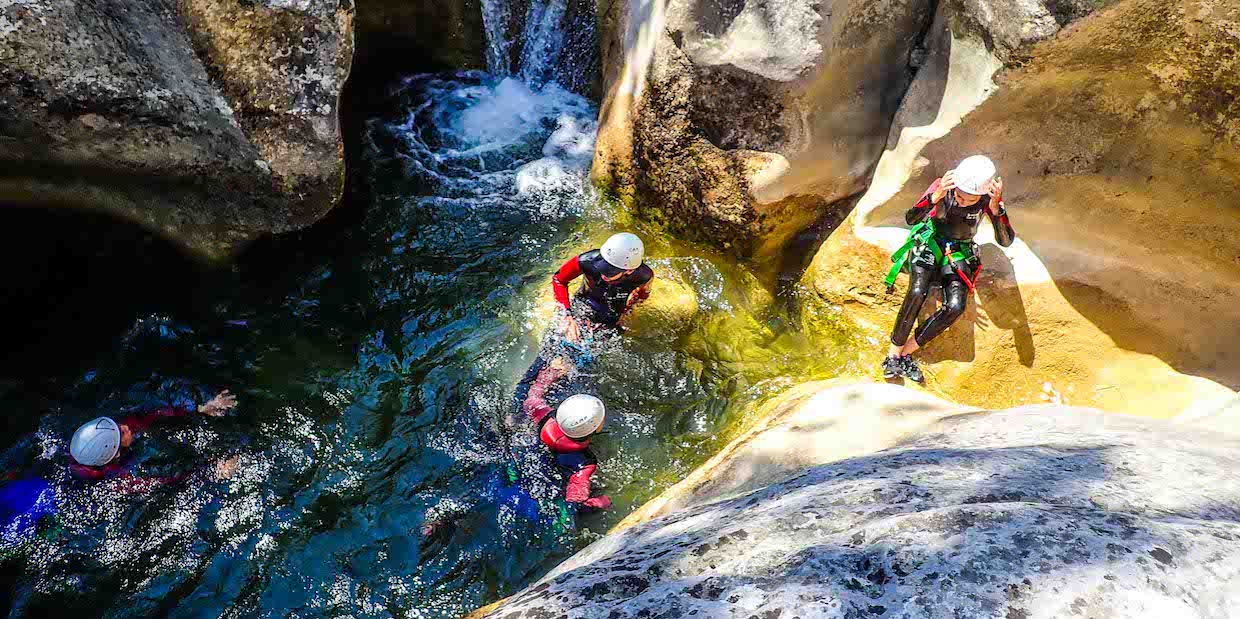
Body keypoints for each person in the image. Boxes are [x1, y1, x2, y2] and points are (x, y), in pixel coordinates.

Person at [882, 155, 1016, 382]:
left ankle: (906, 353)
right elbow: (911, 219)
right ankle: (892, 356)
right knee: (917, 292)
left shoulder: (988, 200)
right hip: (930, 242)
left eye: (968, 199)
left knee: (955, 306)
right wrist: (935, 197)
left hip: (958, 251)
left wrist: (996, 210)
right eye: (959, 196)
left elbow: (1005, 240)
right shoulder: (944, 187)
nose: (962, 201)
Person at [68, 390, 240, 490]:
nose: (126, 427)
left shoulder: (100, 441)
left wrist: (201, 410)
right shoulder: (119, 480)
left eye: (118, 425)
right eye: (121, 434)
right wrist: (210, 473)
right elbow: (164, 483)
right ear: (115, 454)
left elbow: (152, 417)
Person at [552, 232, 654, 343]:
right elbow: (559, 279)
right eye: (603, 265)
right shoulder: (587, 261)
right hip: (583, 303)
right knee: (558, 341)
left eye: (611, 270)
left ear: (629, 271)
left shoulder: (643, 276)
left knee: (591, 353)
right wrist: (566, 315)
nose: (603, 274)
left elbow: (642, 295)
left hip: (612, 316)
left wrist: (626, 313)